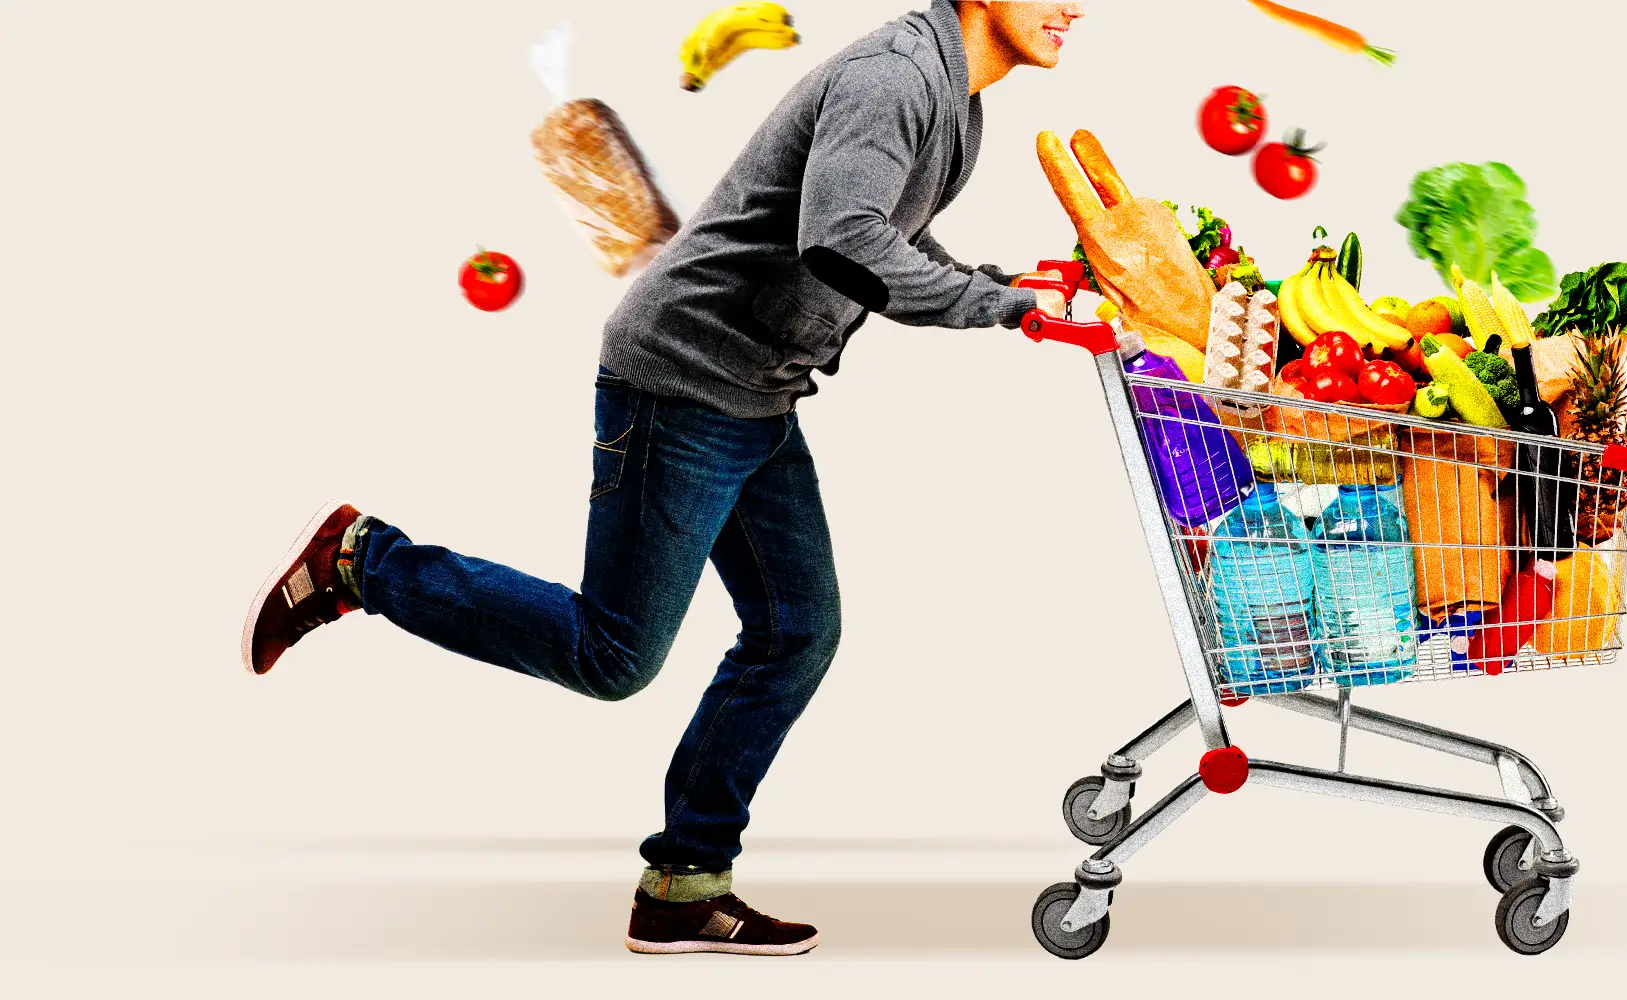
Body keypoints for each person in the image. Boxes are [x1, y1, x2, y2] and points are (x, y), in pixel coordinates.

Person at [239, 0, 1085, 957]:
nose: (1078, 7)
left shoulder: (959, 106)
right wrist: (1000, 309)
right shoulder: (893, 78)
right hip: (683, 381)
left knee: (797, 632)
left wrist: (1012, 285)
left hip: (757, 389)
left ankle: (684, 886)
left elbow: (884, 233)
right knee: (614, 654)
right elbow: (843, 239)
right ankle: (361, 562)